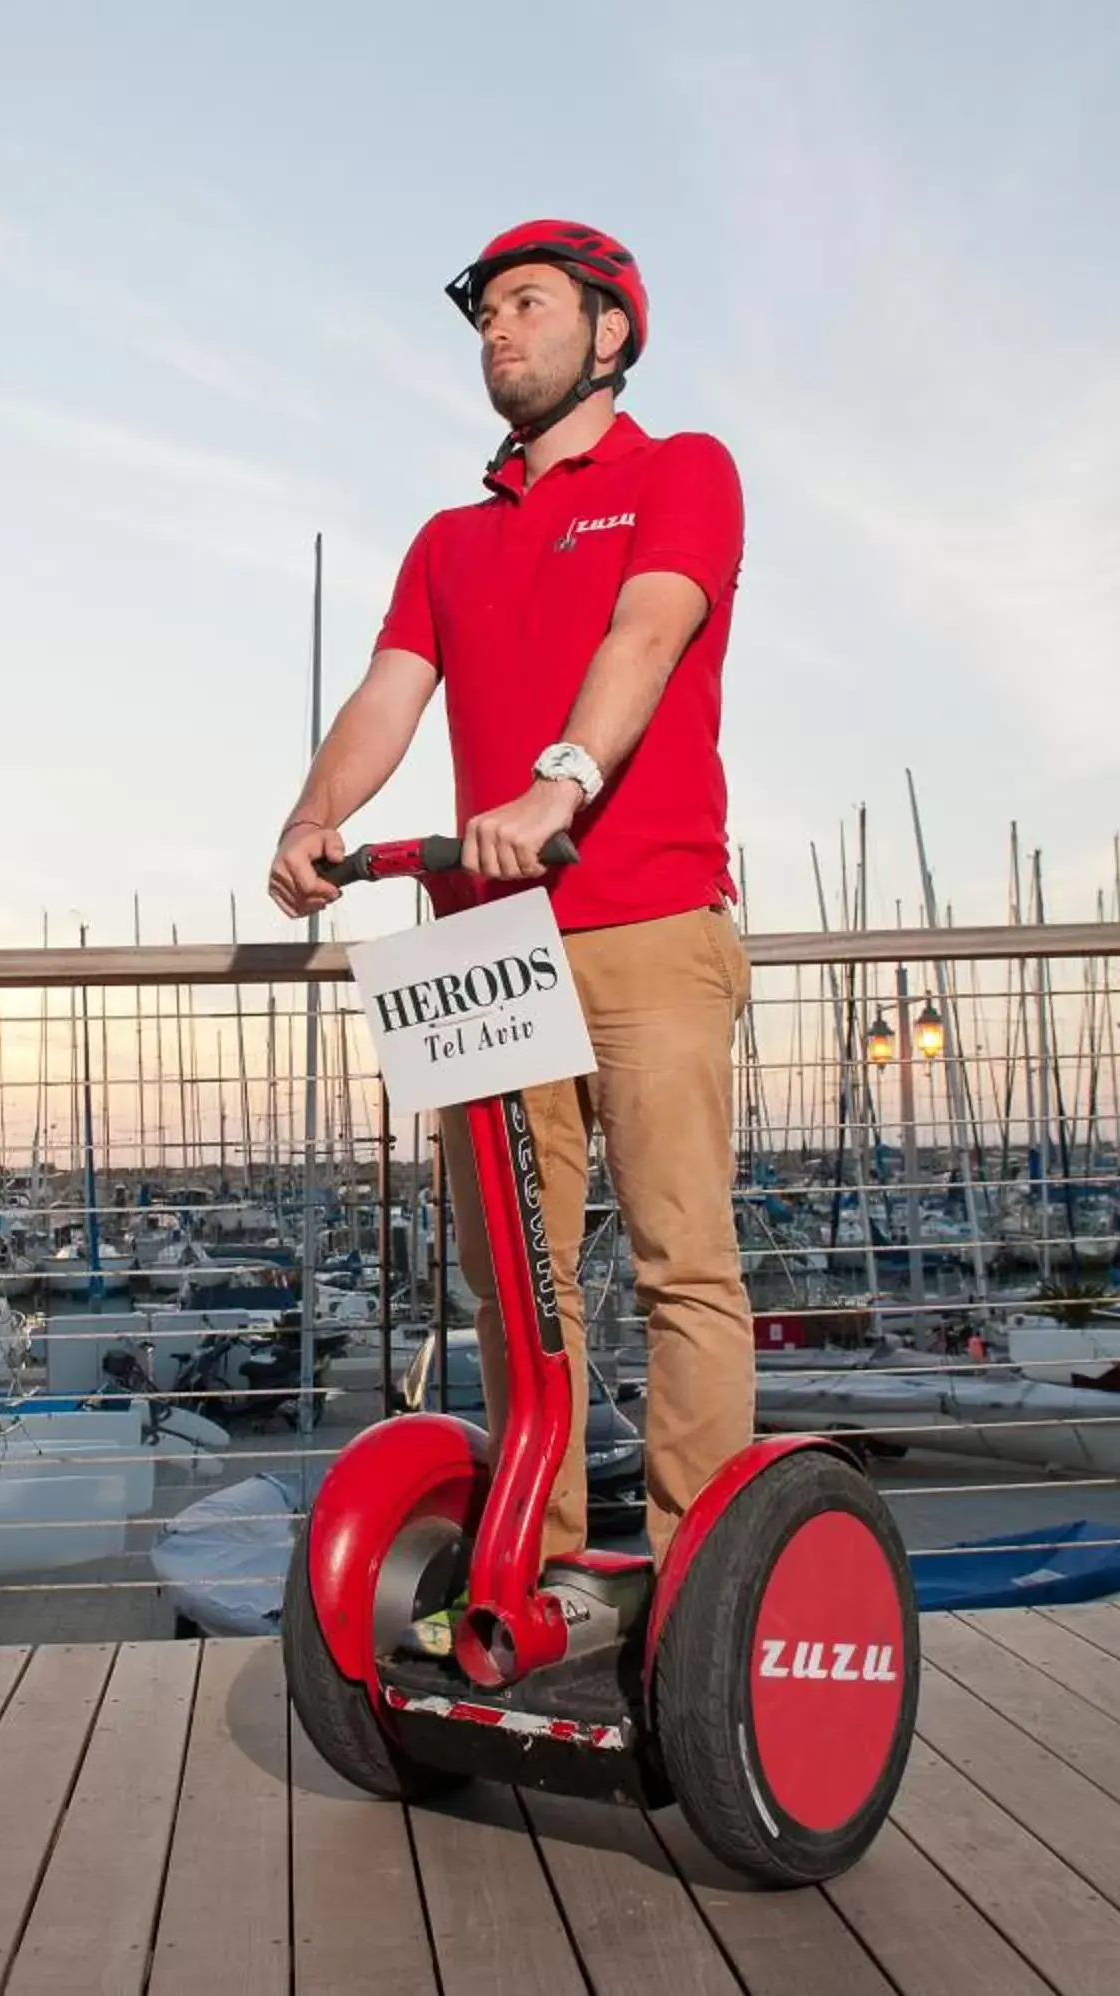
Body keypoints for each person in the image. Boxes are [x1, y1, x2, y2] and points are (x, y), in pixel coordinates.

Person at [268, 219, 751, 1565]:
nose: (498, 328)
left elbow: (650, 626)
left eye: (528, 304)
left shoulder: (684, 473)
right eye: (486, 311)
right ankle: (532, 1574)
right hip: (479, 946)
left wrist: (560, 786)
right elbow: (389, 693)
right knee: (511, 1292)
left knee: (682, 1269)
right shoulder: (446, 541)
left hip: (646, 918)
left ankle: (694, 1581)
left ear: (609, 332)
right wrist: (318, 819)